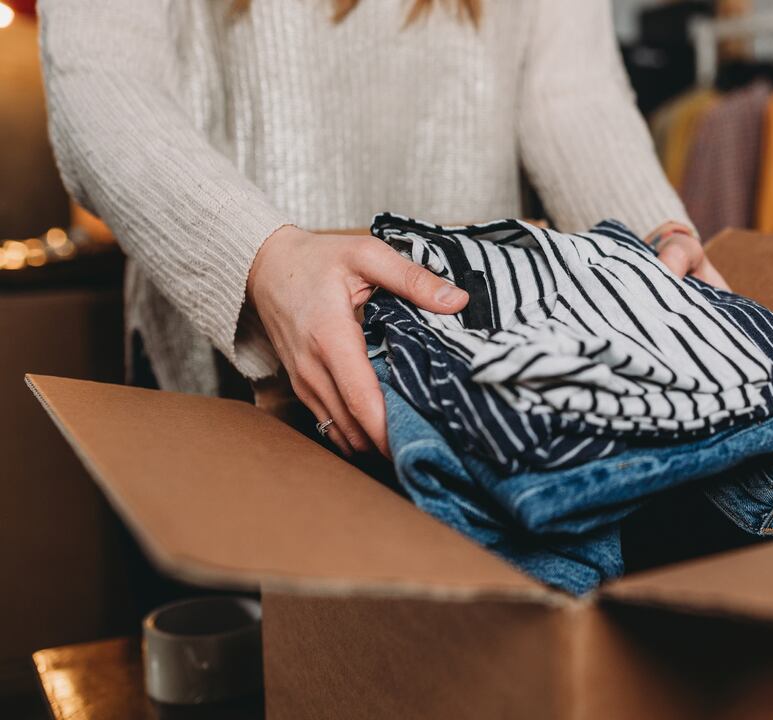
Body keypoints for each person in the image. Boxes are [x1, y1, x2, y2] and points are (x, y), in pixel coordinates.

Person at [39, 0, 725, 457]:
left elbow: (570, 92)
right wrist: (263, 261)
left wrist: (647, 246)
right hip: (221, 385)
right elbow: (99, 73)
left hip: (469, 368)